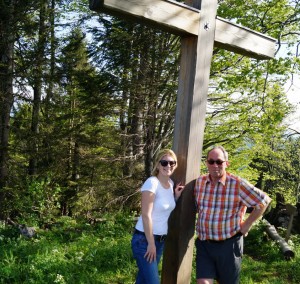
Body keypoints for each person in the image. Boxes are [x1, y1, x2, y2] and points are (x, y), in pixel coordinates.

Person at [194, 145, 271, 284]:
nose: (215, 165)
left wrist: (247, 225)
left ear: (226, 163)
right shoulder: (200, 182)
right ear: (206, 163)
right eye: (211, 161)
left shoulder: (237, 184)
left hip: (229, 245)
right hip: (204, 244)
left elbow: (263, 201)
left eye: (219, 161)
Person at [131, 149, 184, 284]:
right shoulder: (152, 183)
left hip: (159, 241)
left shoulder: (170, 184)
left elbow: (163, 208)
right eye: (164, 162)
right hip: (144, 240)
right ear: (158, 165)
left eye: (172, 163)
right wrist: (151, 243)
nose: (168, 166)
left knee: (143, 280)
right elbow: (146, 214)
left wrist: (175, 197)